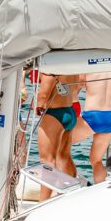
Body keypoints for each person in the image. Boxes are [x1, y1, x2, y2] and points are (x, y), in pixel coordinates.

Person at [72, 72, 111, 183]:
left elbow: (77, 87)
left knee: (60, 146)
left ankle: (68, 182)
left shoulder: (91, 65)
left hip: (92, 115)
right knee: (96, 160)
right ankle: (100, 189)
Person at [36, 72, 80, 200]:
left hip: (54, 114)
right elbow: (74, 89)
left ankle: (42, 203)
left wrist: (38, 104)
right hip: (69, 111)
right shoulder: (72, 68)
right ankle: (71, 193)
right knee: (64, 157)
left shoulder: (50, 70)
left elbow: (43, 95)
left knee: (47, 160)